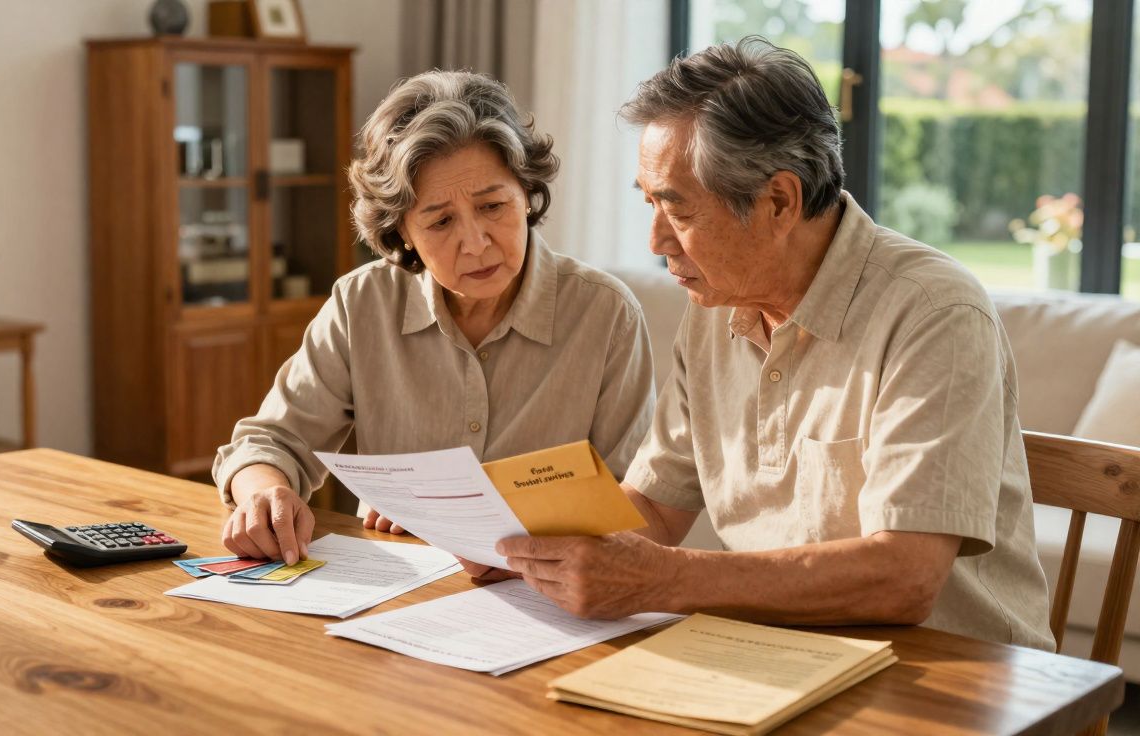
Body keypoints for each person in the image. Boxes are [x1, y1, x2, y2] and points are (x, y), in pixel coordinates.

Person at [497, 37, 1055, 650]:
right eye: (649, 202)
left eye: (678, 211)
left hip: (952, 678)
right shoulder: (716, 308)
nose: (656, 240)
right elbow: (653, 512)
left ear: (779, 201)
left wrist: (663, 580)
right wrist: (517, 544)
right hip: (784, 656)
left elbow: (905, 578)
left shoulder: (935, 314)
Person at [213, 70, 655, 570]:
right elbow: (271, 442)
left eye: (493, 206)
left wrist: (478, 522)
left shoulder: (606, 314)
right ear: (400, 229)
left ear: (527, 194)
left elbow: (635, 501)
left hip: (549, 595)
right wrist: (264, 493)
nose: (475, 242)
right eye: (441, 221)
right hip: (401, 590)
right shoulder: (363, 305)